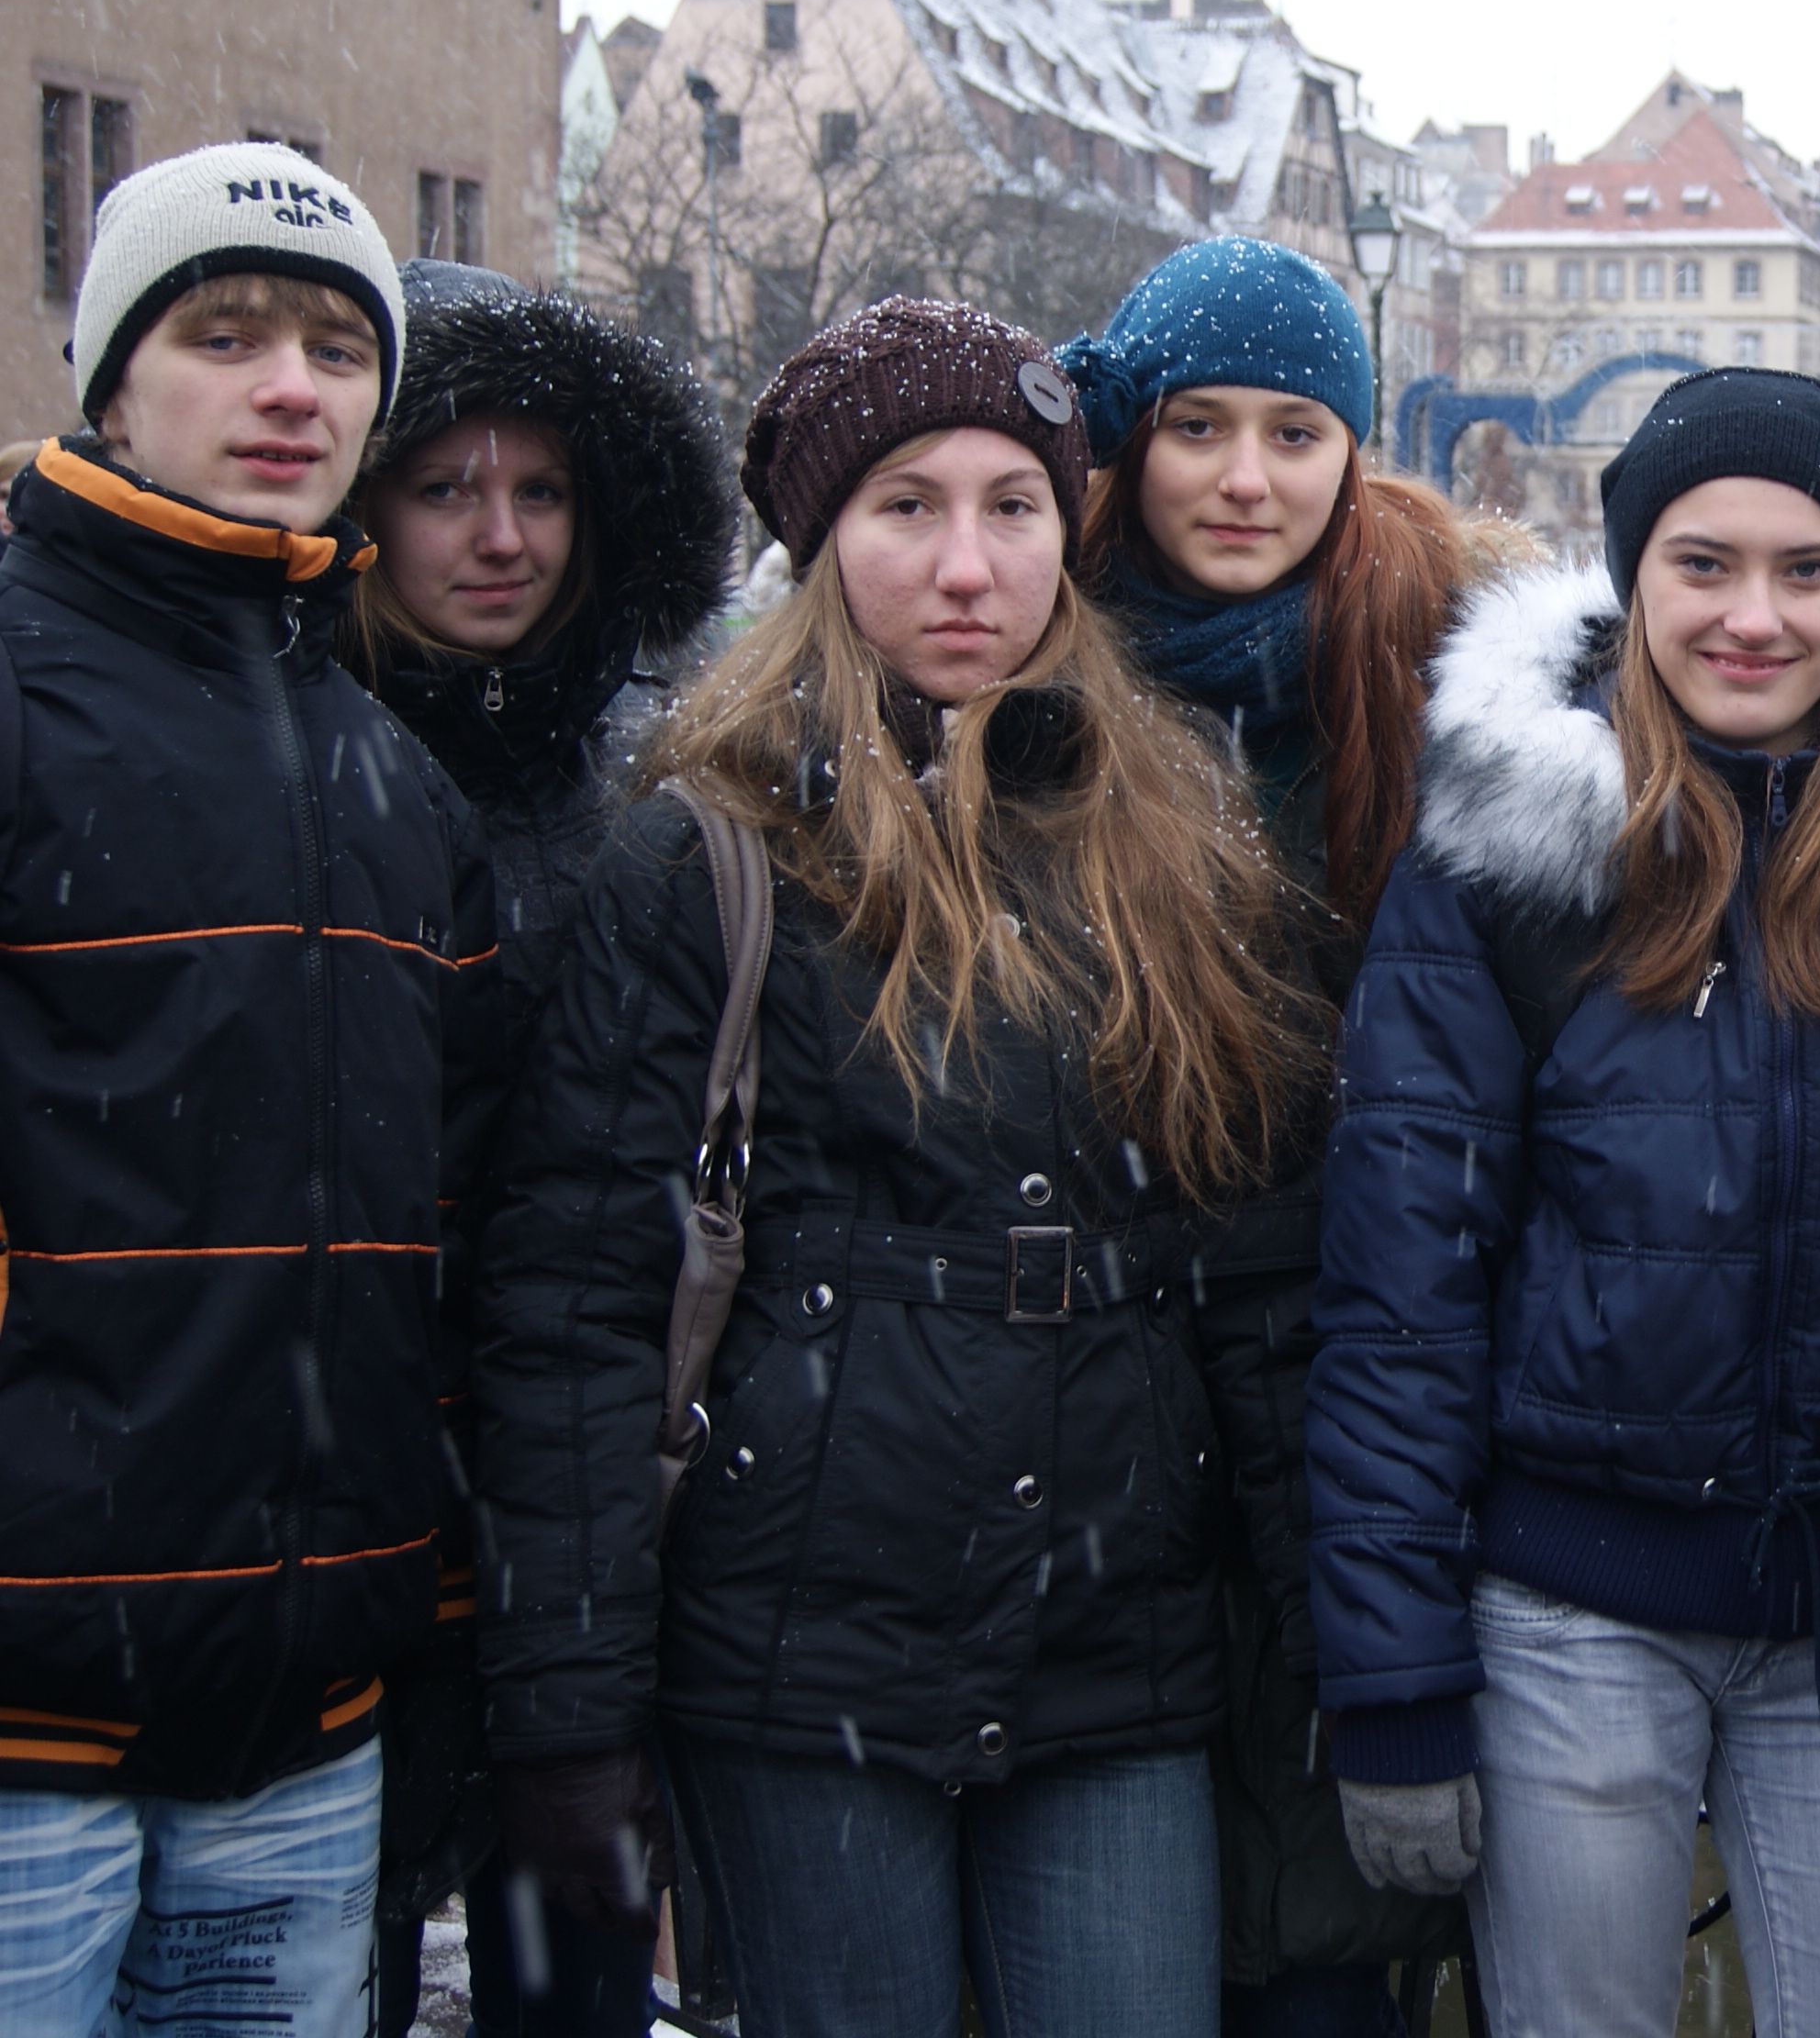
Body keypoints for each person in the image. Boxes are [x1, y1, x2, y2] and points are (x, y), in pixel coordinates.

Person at [470, 298, 1332, 2038]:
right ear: (821, 546)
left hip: (1112, 1648)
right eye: (906, 508)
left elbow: (1257, 1277)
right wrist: (570, 1713)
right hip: (802, 1656)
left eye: (1012, 508)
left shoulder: (1177, 841)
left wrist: (1336, 1629)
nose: (964, 567)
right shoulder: (706, 854)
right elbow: (577, 1305)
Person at [1304, 367, 1820, 2038]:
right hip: (1570, 1616)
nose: (1753, 618)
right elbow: (1404, 1294)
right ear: (1636, 577)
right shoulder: (1512, 856)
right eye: (1703, 564)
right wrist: (1395, 1683)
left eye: (1805, 569)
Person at [0, 144, 497, 2037]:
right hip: (27, 1711)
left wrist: (418, 1598)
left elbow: (441, 1234)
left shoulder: (391, 777)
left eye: (335, 349)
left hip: (305, 1710)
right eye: (224, 336)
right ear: (113, 382)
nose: (292, 387)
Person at [1062, 237, 1480, 2034]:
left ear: (1352, 452)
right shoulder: (1025, 679)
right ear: (1125, 442)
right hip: (1102, 1424)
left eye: (1296, 433)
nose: (1246, 480)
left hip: (1351, 1407)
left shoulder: (1452, 694)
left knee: (1327, 1965)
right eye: (1198, 427)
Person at [342, 260, 736, 2038]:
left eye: (542, 490)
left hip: (576, 1521)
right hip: (347, 1495)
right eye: (444, 487)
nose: (500, 538)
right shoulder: (301, 759)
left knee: (565, 1986)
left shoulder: (649, 787)